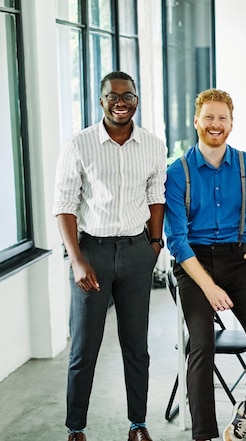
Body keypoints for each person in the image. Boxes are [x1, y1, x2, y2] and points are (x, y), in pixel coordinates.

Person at [52, 71, 166, 441]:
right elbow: (65, 205)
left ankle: (137, 425)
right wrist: (77, 260)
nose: (121, 101)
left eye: (128, 95)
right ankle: (76, 429)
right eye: (113, 96)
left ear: (137, 100)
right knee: (84, 348)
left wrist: (154, 245)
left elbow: (156, 196)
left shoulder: (152, 145)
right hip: (93, 255)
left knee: (137, 347)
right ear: (101, 101)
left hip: (136, 253)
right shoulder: (79, 145)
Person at [164, 88, 246, 441]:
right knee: (202, 342)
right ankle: (204, 435)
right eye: (208, 117)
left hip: (238, 258)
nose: (215, 124)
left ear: (231, 123)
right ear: (196, 121)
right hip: (193, 263)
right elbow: (177, 240)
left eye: (222, 118)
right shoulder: (178, 172)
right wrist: (209, 287)